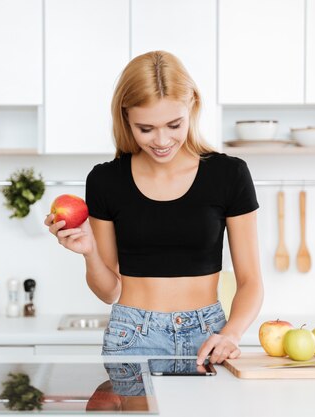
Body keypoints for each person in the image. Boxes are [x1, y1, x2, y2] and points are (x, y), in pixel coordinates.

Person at [45, 51, 263, 365]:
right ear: (126, 119)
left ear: (192, 106)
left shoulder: (229, 174)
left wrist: (232, 333)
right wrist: (89, 251)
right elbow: (109, 292)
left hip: (209, 337)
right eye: (145, 129)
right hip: (133, 336)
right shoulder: (105, 180)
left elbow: (251, 281)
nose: (161, 140)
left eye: (174, 125)